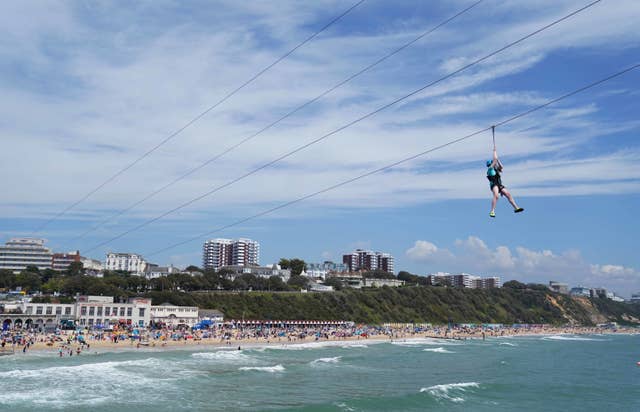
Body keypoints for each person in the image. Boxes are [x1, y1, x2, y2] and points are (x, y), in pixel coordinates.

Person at [486, 148, 524, 217]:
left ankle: (516, 208)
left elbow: (501, 167)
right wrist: (494, 152)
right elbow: (495, 160)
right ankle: (492, 211)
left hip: (499, 184)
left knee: (508, 194)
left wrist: (498, 160)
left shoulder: (496, 169)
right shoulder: (490, 169)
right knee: (496, 196)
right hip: (494, 185)